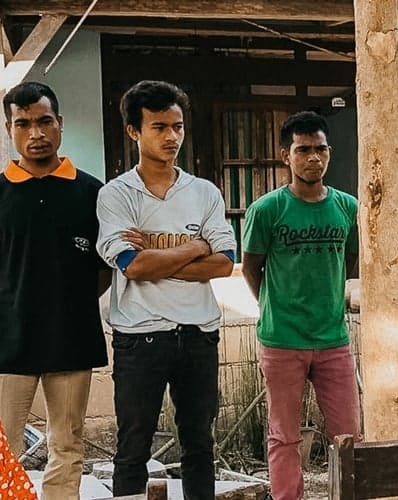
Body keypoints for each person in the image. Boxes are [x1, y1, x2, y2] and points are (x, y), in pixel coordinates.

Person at [96, 80, 236, 499]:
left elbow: (224, 263)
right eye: (159, 127)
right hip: (139, 338)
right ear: (134, 132)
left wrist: (157, 255)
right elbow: (133, 266)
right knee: (132, 449)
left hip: (197, 335)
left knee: (200, 445)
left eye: (177, 126)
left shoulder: (204, 192)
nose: (172, 136)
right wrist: (195, 246)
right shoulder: (116, 195)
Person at [241, 111, 361, 500]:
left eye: (320, 149)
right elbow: (252, 267)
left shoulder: (347, 207)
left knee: (348, 436)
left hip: (333, 339)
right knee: (284, 436)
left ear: (329, 153)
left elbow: (350, 260)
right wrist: (275, 306)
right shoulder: (267, 210)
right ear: (285, 156)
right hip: (282, 340)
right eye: (303, 149)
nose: (313, 158)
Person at [0, 82, 109, 500]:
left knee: (67, 443)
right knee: (4, 448)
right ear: (9, 129)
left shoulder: (91, 193)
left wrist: (69, 304)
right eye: (23, 124)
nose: (36, 133)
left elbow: (103, 270)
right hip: (8, 342)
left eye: (44, 121)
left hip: (71, 337)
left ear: (60, 124)